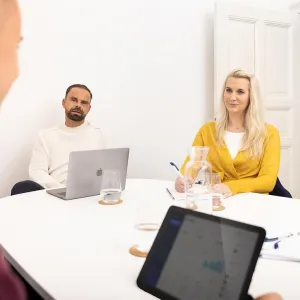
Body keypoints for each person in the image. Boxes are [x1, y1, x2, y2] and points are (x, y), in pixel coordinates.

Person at [175, 69, 280, 199]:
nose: (232, 97)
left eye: (240, 92)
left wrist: (232, 187)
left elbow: (268, 182)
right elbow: (192, 164)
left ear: (251, 97)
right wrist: (183, 180)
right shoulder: (207, 130)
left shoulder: (269, 133)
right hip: (218, 201)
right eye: (228, 90)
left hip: (255, 202)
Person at [11, 83, 105, 195]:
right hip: (54, 192)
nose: (78, 105)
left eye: (84, 102)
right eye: (74, 100)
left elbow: (104, 171)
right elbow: (36, 171)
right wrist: (61, 189)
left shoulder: (97, 135)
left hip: (86, 193)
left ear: (89, 108)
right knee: (22, 187)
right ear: (64, 103)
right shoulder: (46, 135)